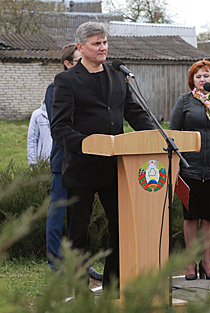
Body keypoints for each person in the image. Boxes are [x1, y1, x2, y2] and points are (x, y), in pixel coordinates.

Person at [50, 22, 155, 290]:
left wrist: (157, 136)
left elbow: (134, 113)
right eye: (97, 43)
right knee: (78, 234)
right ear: (80, 47)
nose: (103, 48)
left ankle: (112, 286)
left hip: (115, 168)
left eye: (105, 42)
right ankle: (78, 288)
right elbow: (59, 127)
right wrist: (88, 144)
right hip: (81, 167)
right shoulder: (66, 81)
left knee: (121, 228)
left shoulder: (117, 75)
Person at [170, 59, 210, 280]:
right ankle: (189, 263)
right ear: (193, 80)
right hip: (190, 168)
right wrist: (175, 166)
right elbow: (174, 135)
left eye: (206, 76)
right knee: (191, 217)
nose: (202, 80)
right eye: (198, 77)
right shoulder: (184, 102)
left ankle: (206, 262)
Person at [44, 43, 103, 280]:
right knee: (58, 215)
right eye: (79, 60)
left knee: (80, 219)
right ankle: (56, 264)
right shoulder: (55, 87)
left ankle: (82, 263)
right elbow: (61, 124)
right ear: (68, 63)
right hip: (64, 161)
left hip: (85, 162)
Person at [27, 101, 52, 166]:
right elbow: (32, 140)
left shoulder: (65, 114)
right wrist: (33, 164)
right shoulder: (37, 115)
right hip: (44, 163)